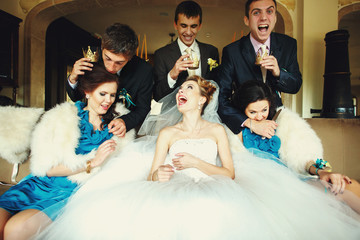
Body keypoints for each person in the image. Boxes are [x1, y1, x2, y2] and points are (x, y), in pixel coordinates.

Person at [34, 76, 360, 240]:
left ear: (203, 99)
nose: (182, 92)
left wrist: (197, 164)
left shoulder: (219, 133)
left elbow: (229, 172)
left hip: (214, 181)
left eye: (190, 88)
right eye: (181, 89)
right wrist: (158, 174)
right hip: (178, 186)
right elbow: (152, 173)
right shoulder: (167, 134)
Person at [0, 64, 135, 240]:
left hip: (69, 194)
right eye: (102, 94)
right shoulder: (62, 117)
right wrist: (91, 162)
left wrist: (96, 164)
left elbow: (122, 167)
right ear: (87, 92)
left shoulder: (117, 126)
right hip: (40, 185)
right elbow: (47, 169)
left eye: (112, 95)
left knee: (15, 230)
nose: (108, 100)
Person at [232, 80, 360, 212]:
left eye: (264, 110)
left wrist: (322, 172)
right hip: (264, 189)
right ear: (242, 110)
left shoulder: (284, 125)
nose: (260, 117)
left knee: (349, 186)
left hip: (292, 181)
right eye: (253, 112)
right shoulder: (236, 136)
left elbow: (302, 159)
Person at [217, 0, 302, 138]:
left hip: (276, 123)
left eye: (269, 11)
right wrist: (249, 123)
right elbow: (221, 99)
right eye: (256, 12)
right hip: (244, 127)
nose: (263, 17)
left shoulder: (288, 45)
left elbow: (296, 85)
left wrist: (279, 73)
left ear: (275, 17)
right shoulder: (232, 52)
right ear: (247, 20)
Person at [66, 23, 153, 137]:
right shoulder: (91, 58)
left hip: (122, 133)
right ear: (102, 47)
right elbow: (76, 96)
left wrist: (124, 121)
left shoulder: (144, 71)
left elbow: (143, 109)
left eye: (119, 63)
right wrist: (73, 78)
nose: (111, 67)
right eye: (107, 58)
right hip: (89, 126)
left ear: (130, 57)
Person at [153, 0, 219, 102]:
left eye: (193, 26)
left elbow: (217, 87)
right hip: (174, 116)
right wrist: (172, 75)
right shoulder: (161, 55)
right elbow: (158, 96)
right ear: (175, 25)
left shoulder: (212, 51)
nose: (188, 32)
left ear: (199, 26)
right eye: (183, 26)